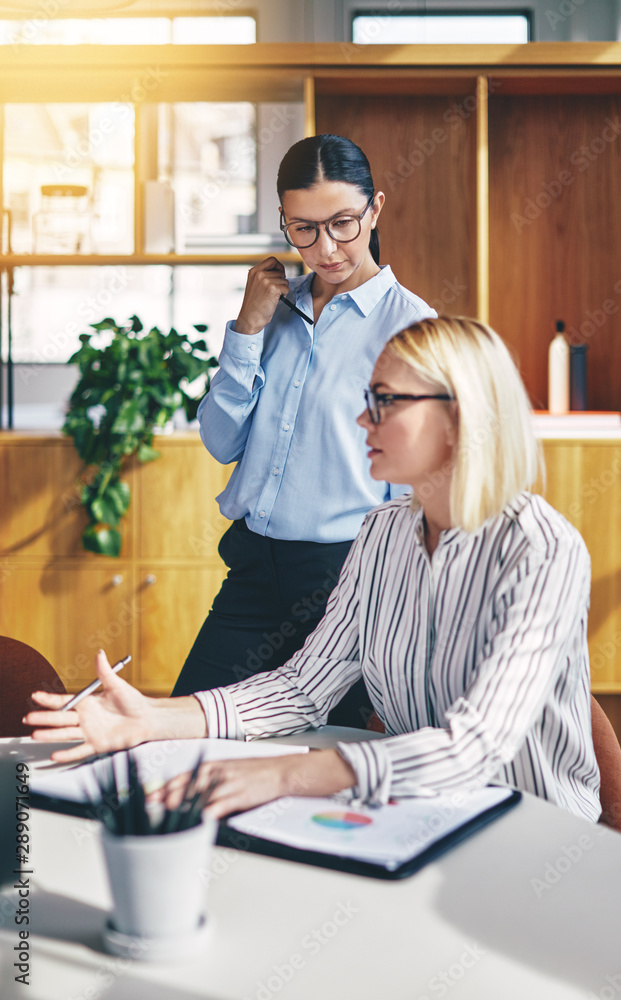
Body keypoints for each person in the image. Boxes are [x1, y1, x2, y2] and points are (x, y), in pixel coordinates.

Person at [27, 316, 601, 825]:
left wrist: (285, 774)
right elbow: (302, 687)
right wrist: (153, 717)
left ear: (459, 415)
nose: (360, 418)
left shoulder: (541, 550)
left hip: (533, 830)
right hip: (418, 813)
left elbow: (474, 746)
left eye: (384, 401)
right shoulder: (381, 533)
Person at [170, 133, 436, 728]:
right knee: (189, 736)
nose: (326, 247)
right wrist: (246, 330)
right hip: (252, 572)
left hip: (343, 581)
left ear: (375, 210)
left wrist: (390, 605)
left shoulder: (413, 329)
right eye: (303, 229)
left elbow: (414, 490)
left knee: (334, 759)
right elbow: (220, 441)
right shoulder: (270, 312)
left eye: (343, 223)